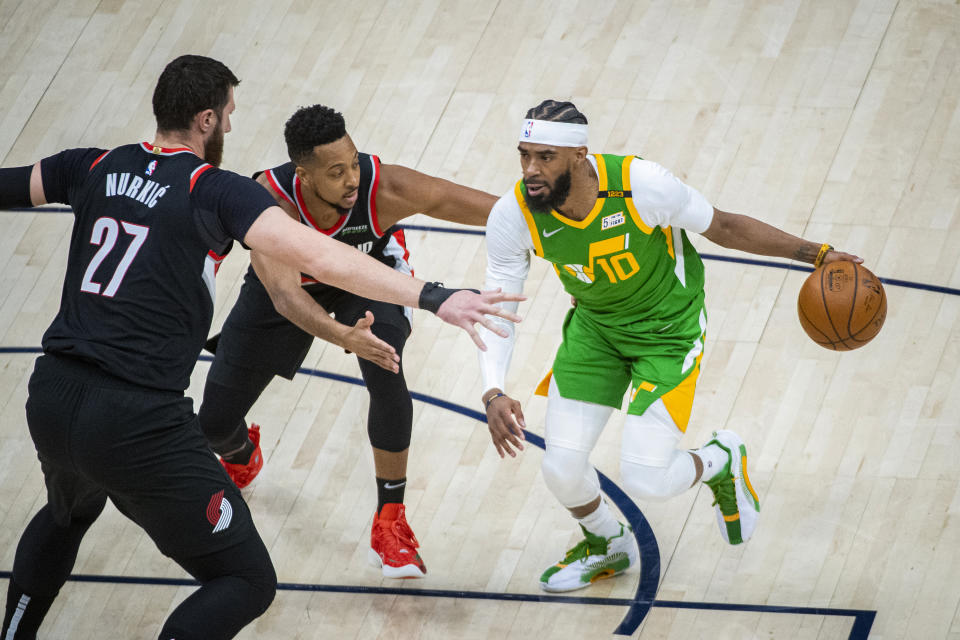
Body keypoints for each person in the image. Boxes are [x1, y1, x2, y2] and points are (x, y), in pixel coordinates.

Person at [0, 55, 521, 640]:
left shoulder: (90, 165)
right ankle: (238, 447)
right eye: (227, 115)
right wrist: (435, 296)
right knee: (245, 575)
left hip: (52, 396)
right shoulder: (222, 191)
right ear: (205, 119)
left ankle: (390, 513)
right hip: (141, 412)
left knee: (67, 513)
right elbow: (308, 268)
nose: (229, 126)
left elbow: (6, 185)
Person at [477, 99, 861, 593]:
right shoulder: (514, 214)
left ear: (579, 155)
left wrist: (817, 254)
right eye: (524, 155)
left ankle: (720, 458)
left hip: (668, 332)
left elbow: (722, 225)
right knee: (561, 467)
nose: (531, 170)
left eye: (545, 157)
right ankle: (608, 544)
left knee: (646, 479)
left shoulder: (642, 185)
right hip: (597, 332)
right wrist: (492, 389)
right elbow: (497, 307)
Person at [197, 104, 498, 580]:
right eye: (336, 172)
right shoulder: (268, 203)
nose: (352, 178)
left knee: (386, 364)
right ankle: (241, 454)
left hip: (366, 277)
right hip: (287, 290)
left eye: (353, 162)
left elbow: (450, 200)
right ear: (304, 174)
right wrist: (341, 336)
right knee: (212, 424)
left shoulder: (381, 187)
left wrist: (536, 220)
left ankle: (391, 521)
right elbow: (284, 295)